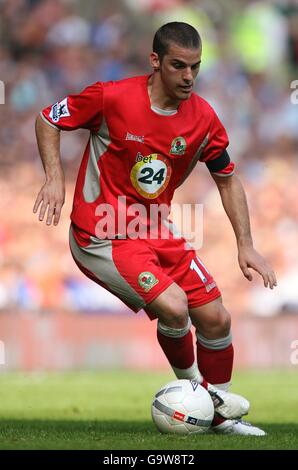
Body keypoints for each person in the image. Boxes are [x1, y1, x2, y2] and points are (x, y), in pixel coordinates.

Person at [34, 22, 277, 435]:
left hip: (153, 228)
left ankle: (217, 419)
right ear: (155, 61)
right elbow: (48, 119)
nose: (188, 77)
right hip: (102, 234)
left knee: (217, 319)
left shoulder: (203, 119)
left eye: (195, 68)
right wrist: (54, 177)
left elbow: (226, 177)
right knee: (176, 306)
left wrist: (246, 243)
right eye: (179, 66)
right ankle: (209, 403)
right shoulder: (112, 97)